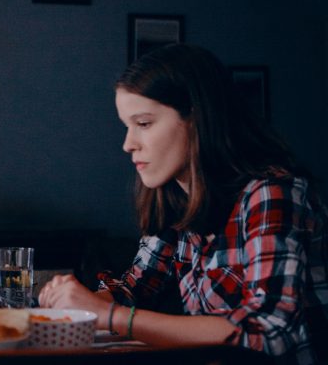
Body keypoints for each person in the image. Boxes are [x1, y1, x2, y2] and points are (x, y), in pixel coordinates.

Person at [39, 44, 327, 364]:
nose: (128, 144)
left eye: (144, 124)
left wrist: (110, 315)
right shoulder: (175, 199)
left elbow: (268, 332)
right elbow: (135, 289)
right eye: (126, 126)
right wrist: (78, 304)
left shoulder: (273, 192)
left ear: (197, 119)